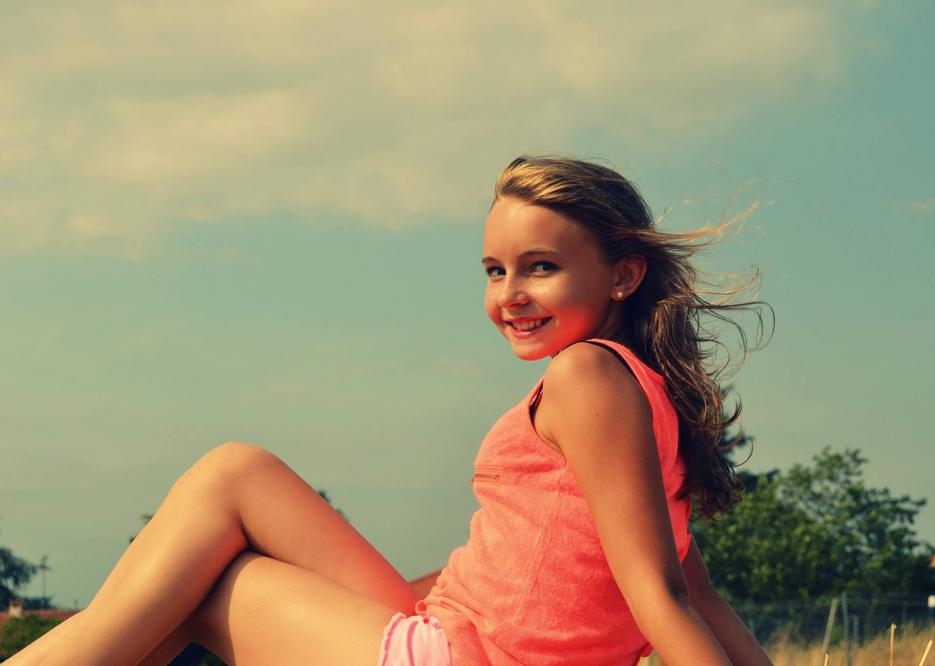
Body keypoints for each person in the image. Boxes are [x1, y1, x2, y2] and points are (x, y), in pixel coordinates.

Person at [12, 156, 773, 666]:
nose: (510, 295)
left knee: (213, 541)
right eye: (495, 270)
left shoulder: (587, 376)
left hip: (462, 657)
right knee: (224, 499)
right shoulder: (647, 401)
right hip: (457, 633)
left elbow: (663, 597)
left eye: (541, 267)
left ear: (623, 275)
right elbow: (700, 594)